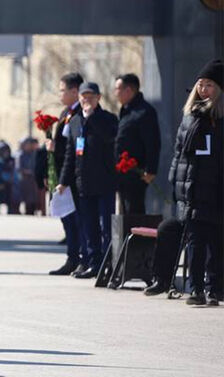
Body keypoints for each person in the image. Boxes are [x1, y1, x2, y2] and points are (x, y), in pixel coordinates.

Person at [146, 60, 223, 304]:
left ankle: (215, 288)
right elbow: (179, 154)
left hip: (217, 190)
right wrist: (175, 183)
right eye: (200, 84)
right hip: (192, 190)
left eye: (209, 85)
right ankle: (197, 289)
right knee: (195, 241)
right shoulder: (190, 118)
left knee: (217, 242)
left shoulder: (220, 120)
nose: (203, 89)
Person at [56, 82, 118, 279]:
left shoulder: (107, 119)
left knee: (106, 226)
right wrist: (64, 180)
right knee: (88, 226)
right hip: (83, 183)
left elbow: (109, 138)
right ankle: (94, 263)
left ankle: (109, 263)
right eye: (84, 96)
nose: (86, 100)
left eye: (91, 96)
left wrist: (92, 118)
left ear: (99, 98)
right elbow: (70, 155)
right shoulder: (74, 122)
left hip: (104, 181)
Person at [47, 73, 83, 275]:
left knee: (76, 220)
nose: (60, 94)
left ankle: (78, 258)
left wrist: (55, 148)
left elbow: (72, 148)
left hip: (72, 177)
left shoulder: (79, 115)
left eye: (63, 90)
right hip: (62, 174)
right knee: (67, 219)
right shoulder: (65, 113)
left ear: (74, 91)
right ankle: (72, 258)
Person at [113, 73, 161, 214]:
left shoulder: (144, 111)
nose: (115, 93)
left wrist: (151, 170)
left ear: (128, 90)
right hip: (122, 173)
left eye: (117, 89)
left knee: (134, 211)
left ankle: (138, 237)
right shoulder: (126, 110)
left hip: (136, 172)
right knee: (124, 212)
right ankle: (127, 236)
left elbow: (153, 142)